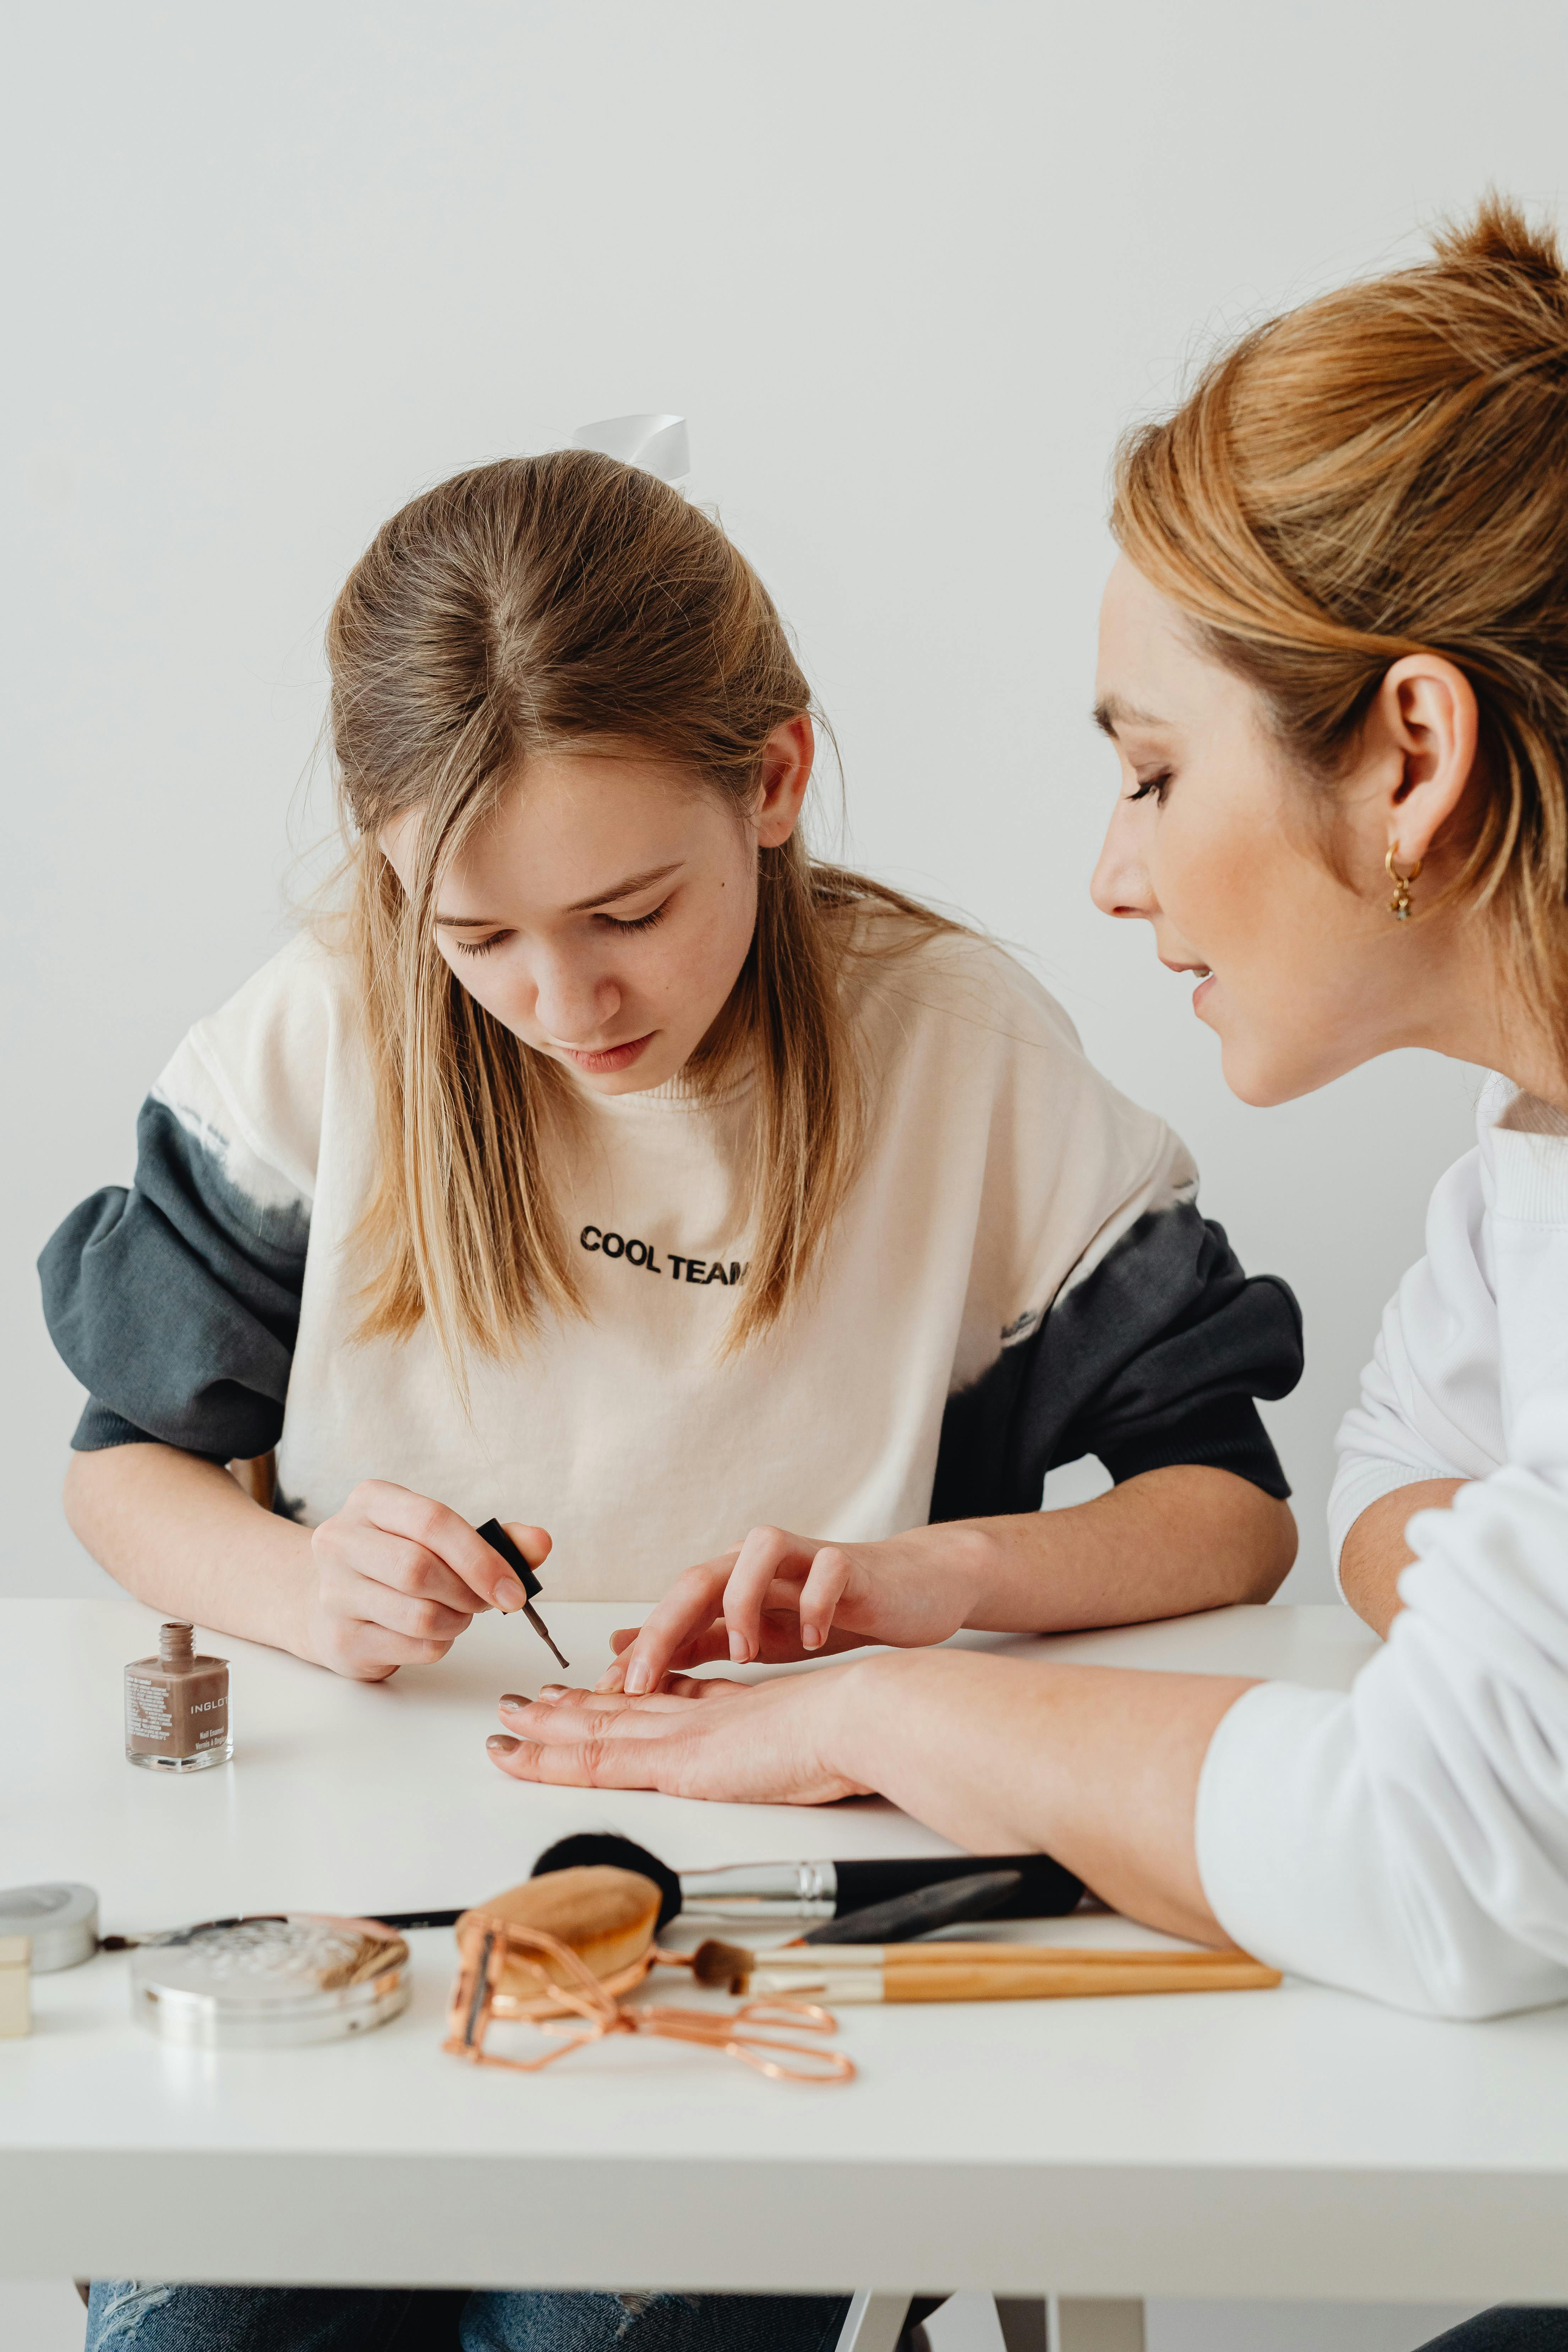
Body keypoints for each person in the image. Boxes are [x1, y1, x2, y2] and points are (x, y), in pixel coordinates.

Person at [47, 451, 1297, 2352]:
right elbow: (123, 1470)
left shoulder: (959, 1056)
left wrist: (930, 1576)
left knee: (575, 2317)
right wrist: (304, 1591)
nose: (566, 1000)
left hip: (764, 1928)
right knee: (198, 2315)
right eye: (477, 941)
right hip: (341, 1896)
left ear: (774, 781)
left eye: (628, 908)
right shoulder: (325, 1027)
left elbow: (1227, 1507)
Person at [483, 199, 1568, 2350]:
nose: (1110, 862)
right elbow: (1382, 1478)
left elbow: (1443, 1854)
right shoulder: (1521, 1148)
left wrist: (890, 1707)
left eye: (1155, 771)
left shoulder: (970, 1049)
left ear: (1413, 759)